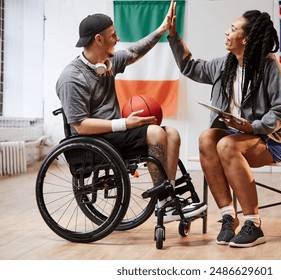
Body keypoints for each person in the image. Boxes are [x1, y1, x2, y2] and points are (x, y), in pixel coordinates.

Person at [56, 1, 206, 223]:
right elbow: (80, 125)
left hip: (113, 136)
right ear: (98, 39)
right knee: (155, 133)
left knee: (171, 133)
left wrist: (162, 29)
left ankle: (168, 198)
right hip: (92, 141)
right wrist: (125, 124)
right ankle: (164, 204)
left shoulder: (107, 62)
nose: (117, 39)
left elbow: (136, 51)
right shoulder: (72, 78)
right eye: (113, 35)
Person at [168, 7, 281, 247]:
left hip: (271, 139)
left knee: (225, 144)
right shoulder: (225, 65)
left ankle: (254, 224)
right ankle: (228, 217)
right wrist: (173, 36)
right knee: (207, 138)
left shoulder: (270, 68)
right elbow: (190, 67)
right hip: (237, 137)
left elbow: (280, 112)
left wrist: (252, 127)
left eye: (233, 29)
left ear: (246, 39)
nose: (226, 32)